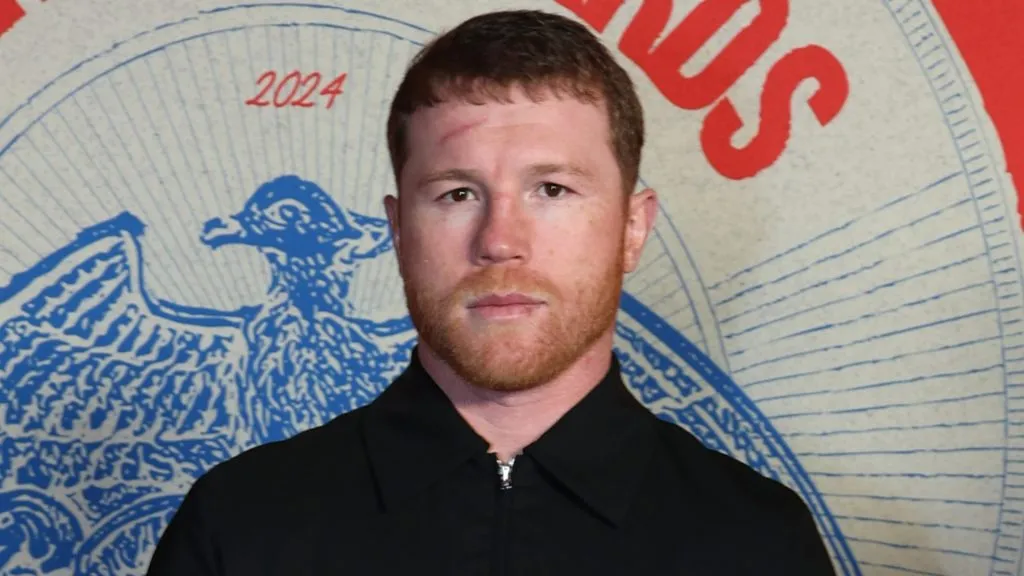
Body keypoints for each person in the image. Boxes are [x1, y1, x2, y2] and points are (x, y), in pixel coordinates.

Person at [145, 9, 836, 575]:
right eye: (456, 193)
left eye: (553, 189)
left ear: (632, 227)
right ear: (398, 229)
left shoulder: (758, 542)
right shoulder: (238, 527)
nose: (500, 239)